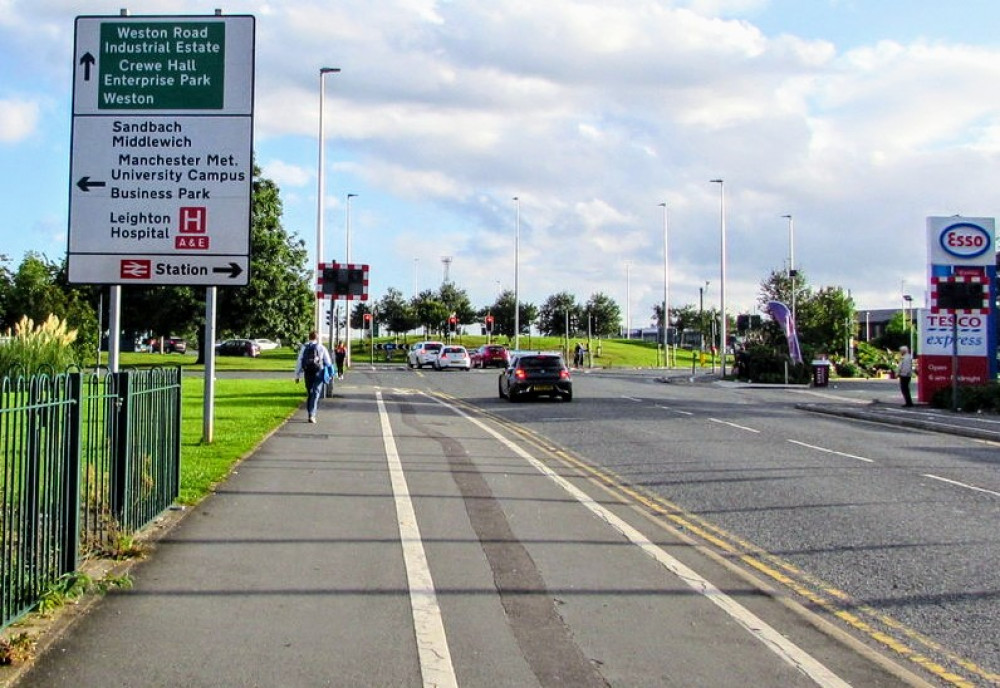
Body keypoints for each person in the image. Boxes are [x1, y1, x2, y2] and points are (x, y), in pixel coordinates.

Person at [295, 332, 333, 423]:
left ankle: (310, 413)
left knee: (310, 392)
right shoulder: (321, 347)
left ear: (309, 337)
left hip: (307, 372)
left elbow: (299, 361)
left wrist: (297, 375)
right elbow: (328, 361)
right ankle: (312, 415)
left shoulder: (304, 348)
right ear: (317, 338)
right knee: (316, 393)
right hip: (319, 373)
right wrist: (331, 373)